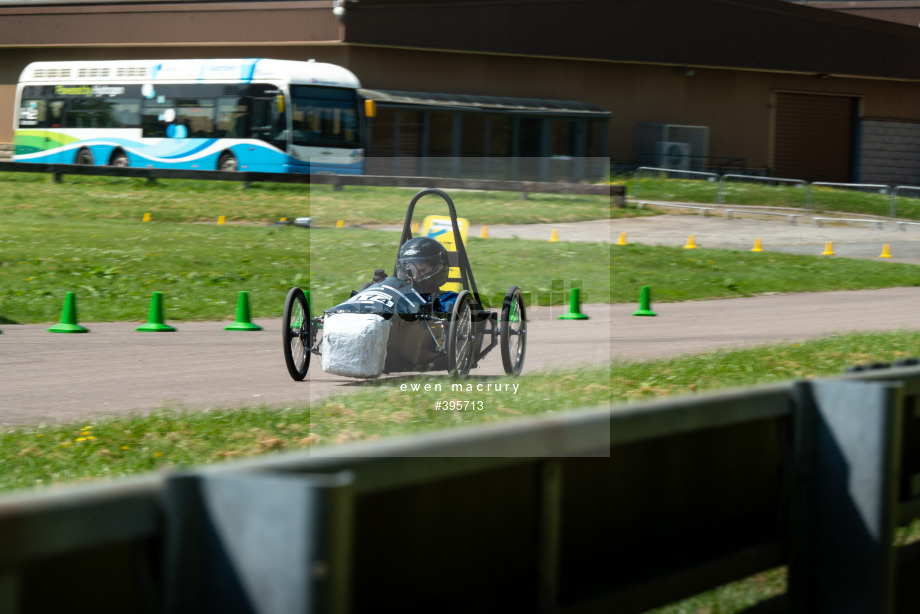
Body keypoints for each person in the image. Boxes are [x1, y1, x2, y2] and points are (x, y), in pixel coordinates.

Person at [394, 236, 458, 312]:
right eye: (410, 272)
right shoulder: (397, 295)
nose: (414, 277)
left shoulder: (447, 300)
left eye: (422, 271)